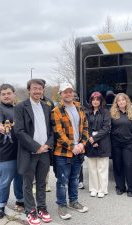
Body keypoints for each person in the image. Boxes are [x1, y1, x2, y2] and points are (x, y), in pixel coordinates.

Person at [14, 79, 53, 225]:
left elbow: (51, 129)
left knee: (42, 182)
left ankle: (42, 208)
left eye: (40, 88)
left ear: (43, 90)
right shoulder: (20, 107)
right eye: (34, 88)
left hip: (45, 152)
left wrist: (48, 145)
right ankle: (30, 210)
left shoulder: (46, 107)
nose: (37, 91)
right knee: (28, 183)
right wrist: (36, 146)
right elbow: (19, 131)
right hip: (29, 152)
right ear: (29, 90)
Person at [51, 83, 89, 220]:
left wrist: (82, 144)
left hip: (78, 150)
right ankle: (62, 205)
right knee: (62, 180)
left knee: (74, 178)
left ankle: (73, 201)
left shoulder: (79, 107)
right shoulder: (56, 110)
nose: (68, 94)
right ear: (61, 94)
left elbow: (85, 127)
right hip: (63, 152)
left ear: (73, 93)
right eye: (65, 92)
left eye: (70, 91)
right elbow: (58, 133)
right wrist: (72, 146)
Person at [0, 84, 24, 218]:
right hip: (5, 154)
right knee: (5, 181)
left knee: (20, 180)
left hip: (22, 153)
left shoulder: (19, 109)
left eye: (9, 93)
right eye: (3, 94)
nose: (6, 96)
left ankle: (20, 201)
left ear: (14, 94)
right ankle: (0, 205)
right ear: (0, 96)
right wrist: (1, 127)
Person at [110, 93, 132, 197]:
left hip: (128, 144)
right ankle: (120, 187)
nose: (121, 102)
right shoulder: (112, 114)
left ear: (127, 101)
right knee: (117, 166)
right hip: (116, 144)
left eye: (123, 100)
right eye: (119, 100)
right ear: (116, 103)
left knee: (128, 165)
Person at [85, 92, 111, 198]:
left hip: (103, 141)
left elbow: (106, 128)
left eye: (97, 99)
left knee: (102, 167)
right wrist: (91, 139)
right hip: (90, 142)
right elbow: (85, 127)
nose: (95, 101)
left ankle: (102, 189)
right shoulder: (88, 112)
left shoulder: (105, 112)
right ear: (91, 101)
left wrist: (95, 139)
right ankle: (94, 188)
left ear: (101, 101)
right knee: (92, 167)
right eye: (93, 99)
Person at [40, 79, 54, 192]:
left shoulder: (49, 102)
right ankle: (35, 183)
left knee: (46, 161)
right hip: (35, 134)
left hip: (47, 134)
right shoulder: (28, 102)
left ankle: (46, 183)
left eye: (42, 87)